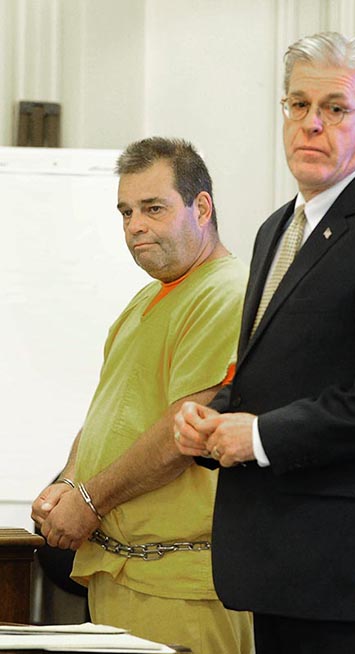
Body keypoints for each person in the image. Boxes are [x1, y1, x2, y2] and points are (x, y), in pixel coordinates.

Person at [173, 32, 355, 654]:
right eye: (297, 105)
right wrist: (213, 420)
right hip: (274, 562)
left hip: (345, 569)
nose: (310, 125)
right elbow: (271, 369)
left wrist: (263, 437)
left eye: (333, 108)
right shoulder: (279, 227)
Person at [31, 137, 253, 654]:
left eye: (153, 208)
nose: (135, 226)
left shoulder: (226, 291)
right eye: (126, 211)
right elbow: (110, 415)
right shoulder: (146, 299)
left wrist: (89, 500)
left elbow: (184, 433)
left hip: (181, 590)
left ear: (202, 207)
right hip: (120, 575)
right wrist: (67, 483)